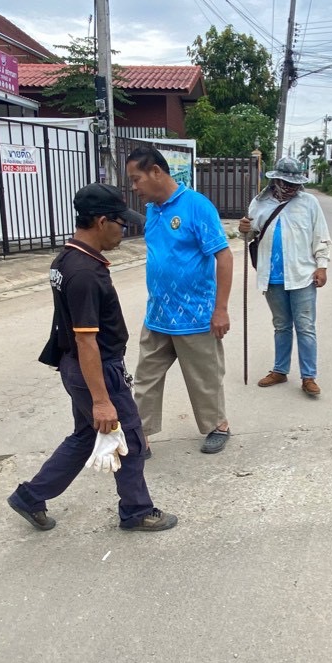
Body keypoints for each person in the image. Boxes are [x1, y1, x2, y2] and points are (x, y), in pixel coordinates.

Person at [7, 182, 177, 533]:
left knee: (86, 436)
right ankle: (136, 511)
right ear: (102, 222)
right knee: (129, 440)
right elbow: (86, 340)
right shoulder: (84, 272)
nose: (123, 231)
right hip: (96, 369)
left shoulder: (67, 259)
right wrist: (101, 400)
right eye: (121, 223)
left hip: (79, 368)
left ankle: (31, 496)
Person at [125, 144, 235, 454]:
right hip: (158, 313)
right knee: (146, 378)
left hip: (195, 315)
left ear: (156, 172)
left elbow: (224, 257)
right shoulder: (153, 209)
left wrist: (221, 309)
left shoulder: (196, 206)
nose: (134, 187)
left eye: (136, 179)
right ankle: (141, 436)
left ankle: (218, 425)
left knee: (204, 377)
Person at [238, 158, 331, 397]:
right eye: (286, 182)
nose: (291, 187)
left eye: (294, 183)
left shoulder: (309, 203)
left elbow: (321, 236)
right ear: (276, 180)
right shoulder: (259, 203)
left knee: (305, 327)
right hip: (271, 277)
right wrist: (243, 230)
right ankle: (280, 370)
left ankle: (308, 376)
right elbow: (249, 236)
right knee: (281, 326)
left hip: (302, 275)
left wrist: (322, 266)